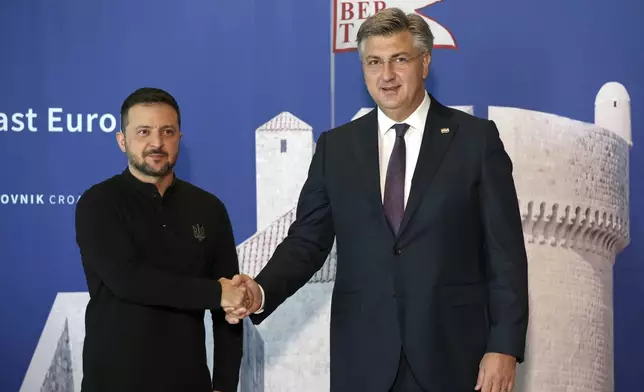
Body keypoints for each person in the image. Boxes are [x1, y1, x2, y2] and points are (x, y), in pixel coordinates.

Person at [225, 7, 529, 392]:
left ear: (425, 62)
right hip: (364, 359)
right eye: (374, 62)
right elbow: (307, 241)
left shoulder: (475, 141)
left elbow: (506, 257)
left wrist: (503, 347)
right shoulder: (336, 148)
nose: (386, 75)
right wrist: (260, 289)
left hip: (454, 356)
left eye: (399, 59)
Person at [75, 87, 251, 392]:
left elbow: (229, 311)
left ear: (179, 138)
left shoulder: (209, 208)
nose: (156, 143)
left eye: (167, 131)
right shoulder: (99, 203)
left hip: (189, 382)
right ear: (122, 140)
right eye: (144, 131)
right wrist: (216, 293)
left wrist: (224, 384)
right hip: (114, 381)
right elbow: (127, 280)